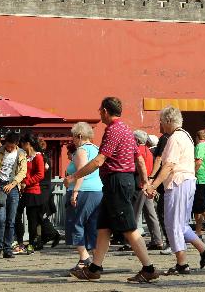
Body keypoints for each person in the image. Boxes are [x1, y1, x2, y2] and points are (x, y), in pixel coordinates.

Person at [65, 96, 159, 284]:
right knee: (103, 227)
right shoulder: (126, 130)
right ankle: (94, 268)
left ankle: (149, 269)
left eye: (100, 110)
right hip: (118, 182)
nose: (99, 113)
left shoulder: (113, 130)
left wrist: (74, 176)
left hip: (117, 182)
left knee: (129, 227)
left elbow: (100, 160)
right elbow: (139, 159)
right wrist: (145, 181)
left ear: (106, 111)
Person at [141, 106, 205, 275]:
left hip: (178, 182)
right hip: (187, 182)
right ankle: (203, 250)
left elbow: (169, 165)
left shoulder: (174, 138)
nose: (160, 125)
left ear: (168, 121)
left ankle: (182, 263)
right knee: (180, 224)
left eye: (161, 121)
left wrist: (153, 184)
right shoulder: (186, 136)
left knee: (172, 223)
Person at [65, 122, 103, 269]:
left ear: (79, 136)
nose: (73, 140)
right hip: (96, 191)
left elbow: (81, 172)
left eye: (74, 137)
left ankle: (84, 257)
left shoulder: (81, 150)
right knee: (92, 225)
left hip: (83, 191)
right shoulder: (96, 149)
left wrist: (75, 192)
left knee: (76, 223)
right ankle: (96, 261)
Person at [0, 131, 27, 259]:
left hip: (13, 187)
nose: (9, 148)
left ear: (16, 144)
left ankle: (7, 248)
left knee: (11, 220)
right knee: (0, 219)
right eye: (8, 145)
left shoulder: (21, 154)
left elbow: (23, 172)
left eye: (12, 146)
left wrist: (12, 184)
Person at [132, 130, 166, 251]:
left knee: (134, 215)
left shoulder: (137, 151)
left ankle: (132, 242)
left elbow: (136, 168)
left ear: (136, 140)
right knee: (151, 214)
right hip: (148, 185)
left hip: (139, 185)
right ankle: (157, 240)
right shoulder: (148, 151)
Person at [18, 134, 46, 252]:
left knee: (32, 220)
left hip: (33, 191)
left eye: (23, 144)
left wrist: (27, 182)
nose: (22, 146)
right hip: (23, 190)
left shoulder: (38, 157)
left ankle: (32, 243)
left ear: (28, 144)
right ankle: (19, 241)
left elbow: (40, 174)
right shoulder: (24, 156)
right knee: (16, 215)